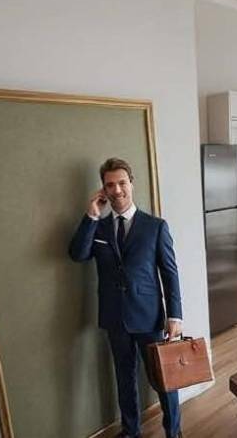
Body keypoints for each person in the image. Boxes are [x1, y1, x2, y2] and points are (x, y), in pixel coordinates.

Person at [69, 158, 183, 438]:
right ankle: (131, 431)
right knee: (124, 378)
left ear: (131, 183)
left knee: (163, 378)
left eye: (122, 183)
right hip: (114, 317)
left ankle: (173, 432)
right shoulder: (98, 228)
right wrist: (91, 215)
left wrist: (175, 315)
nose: (117, 190)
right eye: (110, 185)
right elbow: (78, 254)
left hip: (149, 316)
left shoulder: (155, 226)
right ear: (103, 190)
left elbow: (170, 273)